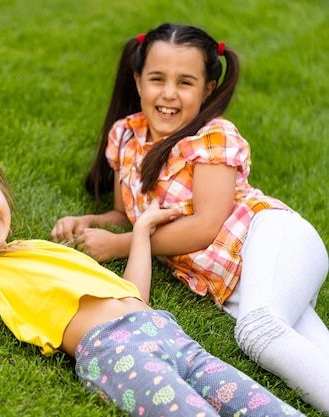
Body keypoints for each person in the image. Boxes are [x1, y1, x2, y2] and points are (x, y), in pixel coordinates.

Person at [0, 140, 304, 416]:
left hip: (167, 333)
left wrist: (140, 232)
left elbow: (135, 296)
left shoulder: (40, 248)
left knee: (263, 406)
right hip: (115, 352)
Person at [50, 23, 329, 414]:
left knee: (259, 331)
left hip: (270, 237)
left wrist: (118, 245)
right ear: (137, 80)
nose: (168, 94)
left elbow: (204, 226)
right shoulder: (126, 136)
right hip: (235, 283)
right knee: (301, 345)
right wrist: (89, 221)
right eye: (157, 79)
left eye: (185, 82)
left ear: (207, 89)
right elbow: (122, 212)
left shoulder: (212, 137)